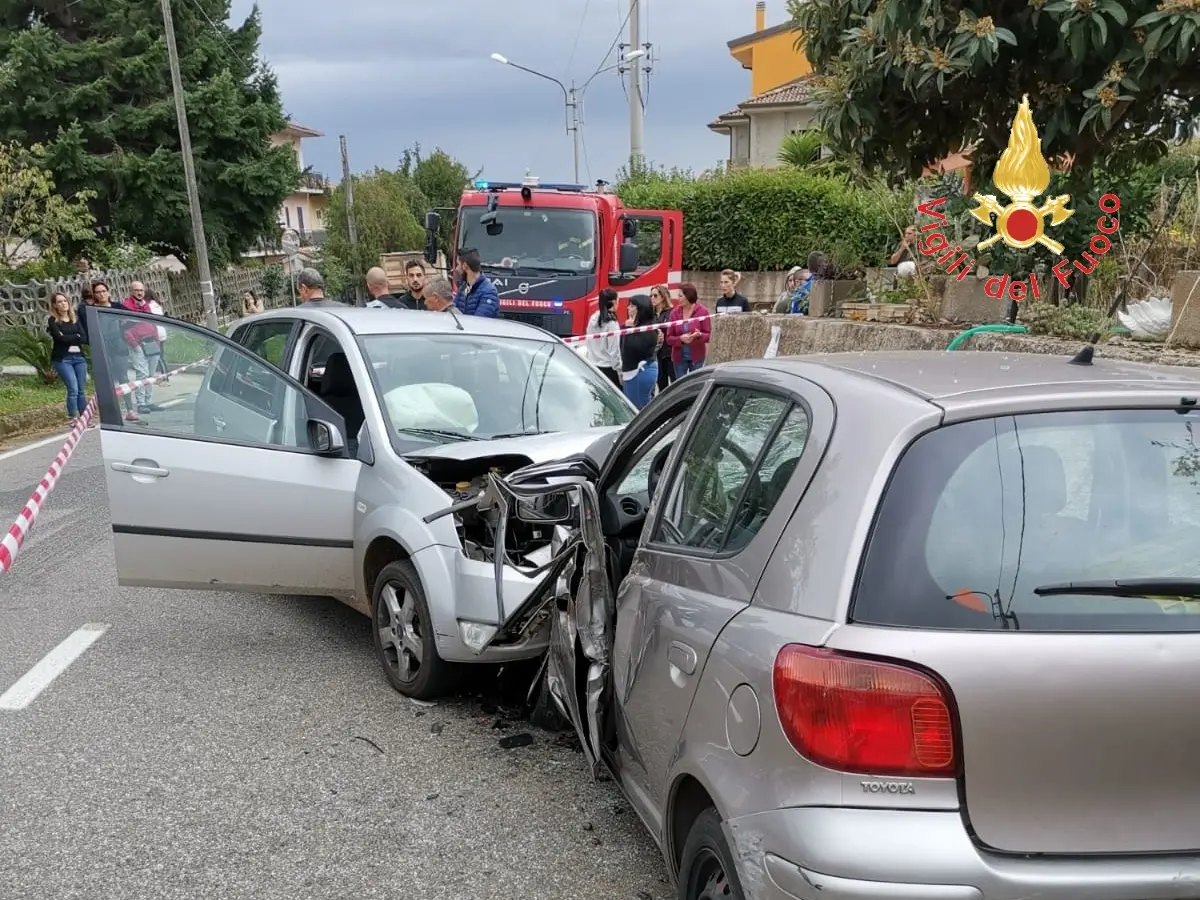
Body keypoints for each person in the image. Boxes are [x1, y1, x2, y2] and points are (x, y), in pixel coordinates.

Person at [91, 280, 137, 422]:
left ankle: (130, 409)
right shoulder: (92, 310)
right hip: (102, 347)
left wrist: (123, 329)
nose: (101, 294)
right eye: (98, 292)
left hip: (118, 347)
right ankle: (111, 410)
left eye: (103, 291)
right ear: (94, 294)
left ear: (108, 292)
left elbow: (133, 318)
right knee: (108, 380)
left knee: (123, 377)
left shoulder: (117, 307)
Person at [120, 282, 163, 415]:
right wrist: (134, 344)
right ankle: (141, 403)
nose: (139, 293)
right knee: (142, 374)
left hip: (152, 342)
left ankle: (149, 401)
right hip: (138, 344)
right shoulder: (126, 306)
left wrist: (157, 340)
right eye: (136, 290)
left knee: (150, 374)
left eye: (141, 290)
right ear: (131, 291)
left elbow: (153, 323)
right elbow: (124, 329)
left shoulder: (146, 306)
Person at [46, 292, 89, 423]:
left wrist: (72, 337)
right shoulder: (53, 320)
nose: (63, 303)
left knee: (81, 389)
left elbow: (85, 338)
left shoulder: (75, 318)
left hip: (79, 358)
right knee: (73, 388)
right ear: (55, 305)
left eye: (65, 301)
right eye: (59, 302)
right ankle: (73, 417)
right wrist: (75, 336)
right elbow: (60, 338)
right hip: (63, 359)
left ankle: (85, 417)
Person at [620, 294, 659, 410]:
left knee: (639, 408)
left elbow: (632, 348)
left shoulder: (648, 328)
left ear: (640, 309)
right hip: (630, 371)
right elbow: (621, 344)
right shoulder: (632, 325)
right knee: (630, 406)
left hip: (641, 371)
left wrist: (628, 329)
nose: (628, 309)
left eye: (632, 306)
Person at [666, 282, 710, 379]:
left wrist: (699, 335)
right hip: (679, 358)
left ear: (688, 296)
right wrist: (680, 339)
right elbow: (668, 339)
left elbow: (708, 336)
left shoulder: (703, 311)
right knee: (681, 386)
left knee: (696, 384)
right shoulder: (674, 313)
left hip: (697, 357)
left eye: (680, 296)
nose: (678, 298)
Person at [585, 289, 622, 388]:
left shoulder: (593, 318)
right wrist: (619, 371)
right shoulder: (612, 323)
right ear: (614, 302)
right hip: (608, 369)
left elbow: (588, 342)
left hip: (593, 366)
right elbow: (614, 351)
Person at [452, 249, 499, 317]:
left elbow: (479, 323)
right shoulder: (463, 287)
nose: (456, 269)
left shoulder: (489, 292)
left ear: (465, 266)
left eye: (458, 265)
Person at [650, 284, 676, 394]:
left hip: (669, 353)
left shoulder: (671, 312)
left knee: (675, 382)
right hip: (656, 354)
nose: (652, 298)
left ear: (663, 297)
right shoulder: (651, 315)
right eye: (651, 296)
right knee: (661, 384)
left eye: (655, 295)